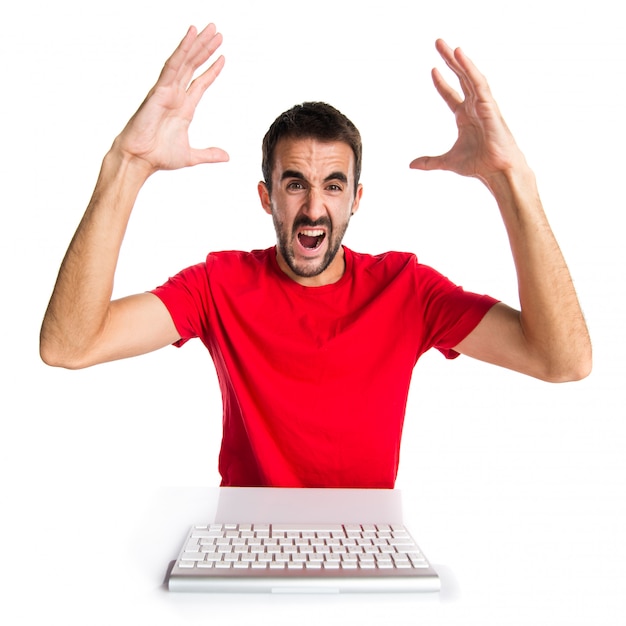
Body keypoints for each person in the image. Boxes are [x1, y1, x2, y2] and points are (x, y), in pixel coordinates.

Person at [39, 24, 591, 488]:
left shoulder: (407, 288)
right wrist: (127, 164)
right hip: (246, 540)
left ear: (356, 198)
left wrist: (511, 181)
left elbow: (562, 360)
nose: (313, 207)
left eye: (332, 185)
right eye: (295, 184)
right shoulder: (218, 284)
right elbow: (69, 345)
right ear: (267, 197)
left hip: (366, 544)